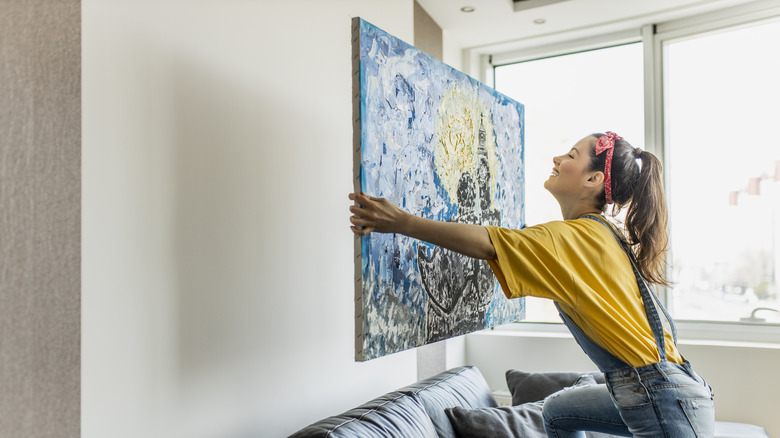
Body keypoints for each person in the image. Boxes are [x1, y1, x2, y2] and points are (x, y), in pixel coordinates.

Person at [349, 132, 714, 437]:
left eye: (571, 154)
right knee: (556, 410)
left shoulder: (577, 237)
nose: (557, 158)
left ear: (593, 180)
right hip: (656, 387)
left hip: (664, 397)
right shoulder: (598, 234)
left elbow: (491, 242)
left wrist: (401, 222)